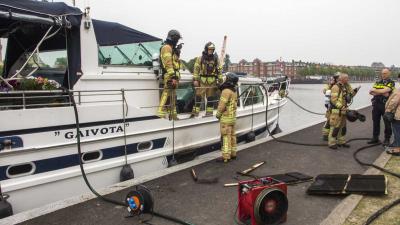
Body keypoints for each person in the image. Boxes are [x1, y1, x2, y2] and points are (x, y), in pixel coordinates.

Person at [192, 42, 223, 117]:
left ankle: (209, 113)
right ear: (206, 49)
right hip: (202, 81)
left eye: (212, 50)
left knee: (210, 98)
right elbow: (196, 69)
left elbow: (219, 70)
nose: (211, 51)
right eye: (209, 49)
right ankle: (195, 113)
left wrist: (220, 79)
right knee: (198, 97)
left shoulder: (216, 59)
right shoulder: (200, 58)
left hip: (212, 82)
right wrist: (195, 79)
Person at [328, 73, 358, 149]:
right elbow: (334, 100)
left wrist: (355, 91)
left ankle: (341, 142)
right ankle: (332, 143)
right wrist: (341, 107)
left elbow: (349, 97)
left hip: (343, 111)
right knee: (335, 127)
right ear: (341, 79)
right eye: (346, 78)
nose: (348, 79)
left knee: (343, 127)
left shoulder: (345, 87)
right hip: (336, 111)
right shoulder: (335, 87)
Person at [157, 30, 182, 120]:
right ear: (173, 38)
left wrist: (176, 51)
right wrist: (173, 77)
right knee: (166, 94)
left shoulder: (171, 48)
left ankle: (173, 115)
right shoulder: (166, 47)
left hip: (173, 75)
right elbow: (168, 63)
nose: (177, 41)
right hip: (170, 75)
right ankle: (160, 115)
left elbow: (176, 64)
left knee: (172, 97)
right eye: (177, 39)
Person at [368, 68, 395, 145]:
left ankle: (387, 139)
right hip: (376, 105)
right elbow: (371, 91)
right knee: (375, 121)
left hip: (385, 105)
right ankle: (375, 137)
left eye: (385, 73)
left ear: (389, 74)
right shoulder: (378, 82)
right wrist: (383, 92)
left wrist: (378, 91)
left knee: (387, 123)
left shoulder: (391, 82)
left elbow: (384, 91)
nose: (383, 75)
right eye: (382, 73)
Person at [216, 73, 238, 162]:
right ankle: (233, 154)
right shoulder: (234, 91)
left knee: (225, 138)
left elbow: (222, 105)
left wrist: (218, 114)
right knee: (232, 136)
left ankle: (225, 157)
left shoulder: (226, 91)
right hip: (232, 118)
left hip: (225, 119)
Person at [322, 73, 340, 141]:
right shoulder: (331, 85)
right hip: (331, 106)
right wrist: (330, 85)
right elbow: (324, 91)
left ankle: (329, 135)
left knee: (334, 121)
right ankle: (326, 135)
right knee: (329, 120)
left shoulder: (340, 85)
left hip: (336, 105)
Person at [384, 86, 400, 155]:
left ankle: (397, 149)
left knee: (397, 131)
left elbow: (394, 102)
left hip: (398, 115)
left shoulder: (398, 91)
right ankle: (396, 143)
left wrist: (388, 110)